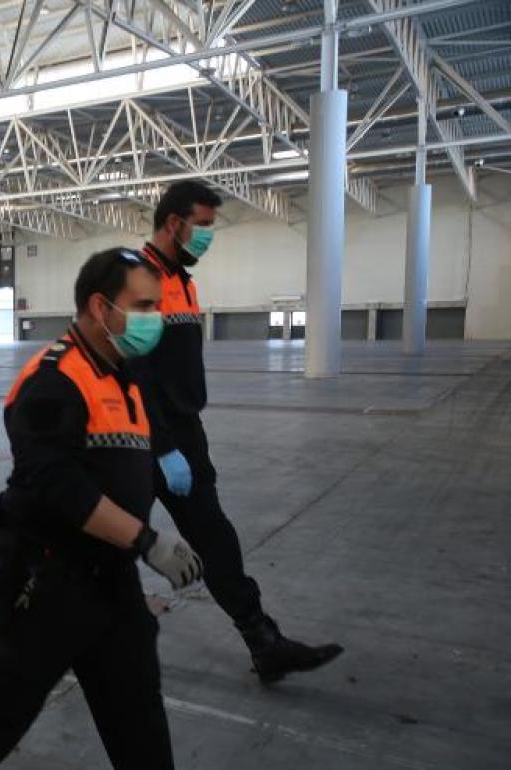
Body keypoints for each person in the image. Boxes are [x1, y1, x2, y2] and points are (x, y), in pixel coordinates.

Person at [0, 248, 204, 770]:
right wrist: (146, 540)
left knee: (142, 731)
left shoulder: (124, 377)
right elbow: (56, 484)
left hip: (114, 589)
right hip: (46, 588)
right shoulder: (52, 380)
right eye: (142, 306)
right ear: (99, 306)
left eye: (157, 307)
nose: (154, 319)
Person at [132, 180, 344, 683]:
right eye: (201, 225)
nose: (207, 235)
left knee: (217, 542)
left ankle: (263, 642)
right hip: (136, 441)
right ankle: (56, 640)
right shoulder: (137, 279)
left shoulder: (181, 280)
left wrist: (181, 442)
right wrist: (160, 447)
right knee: (106, 548)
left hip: (184, 434)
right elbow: (130, 374)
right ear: (172, 224)